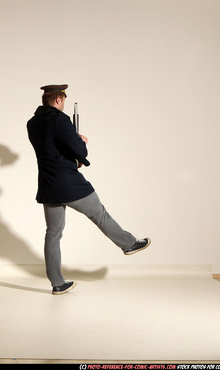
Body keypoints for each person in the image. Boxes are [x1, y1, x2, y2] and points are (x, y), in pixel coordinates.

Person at [26, 84, 151, 295]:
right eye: (63, 100)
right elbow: (76, 149)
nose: (63, 103)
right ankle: (129, 244)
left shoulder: (32, 123)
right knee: (100, 214)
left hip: (49, 185)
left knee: (53, 234)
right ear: (58, 100)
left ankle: (57, 283)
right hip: (69, 183)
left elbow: (51, 151)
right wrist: (81, 143)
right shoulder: (61, 119)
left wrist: (73, 154)